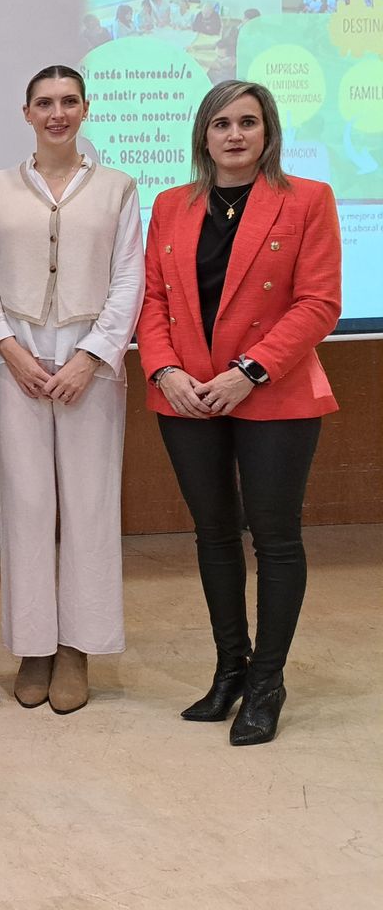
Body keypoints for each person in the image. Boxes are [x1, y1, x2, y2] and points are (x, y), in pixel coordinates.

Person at [137, 81, 341, 745]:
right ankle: (230, 669)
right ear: (203, 134)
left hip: (273, 392)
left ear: (268, 132)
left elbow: (318, 304)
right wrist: (166, 371)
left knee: (275, 539)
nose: (234, 135)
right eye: (221, 123)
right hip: (187, 395)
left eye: (248, 123)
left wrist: (246, 373)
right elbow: (152, 303)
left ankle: (267, 683)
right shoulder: (170, 205)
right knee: (214, 533)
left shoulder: (307, 199)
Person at [0, 66, 142, 714]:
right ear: (26, 113)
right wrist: (9, 350)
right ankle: (35, 643)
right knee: (28, 503)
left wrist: (90, 357)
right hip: (12, 365)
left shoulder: (118, 187)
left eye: (69, 101)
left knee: (91, 505)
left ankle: (79, 645)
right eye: (45, 102)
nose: (57, 112)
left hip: (89, 367)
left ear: (86, 108)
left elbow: (128, 279)